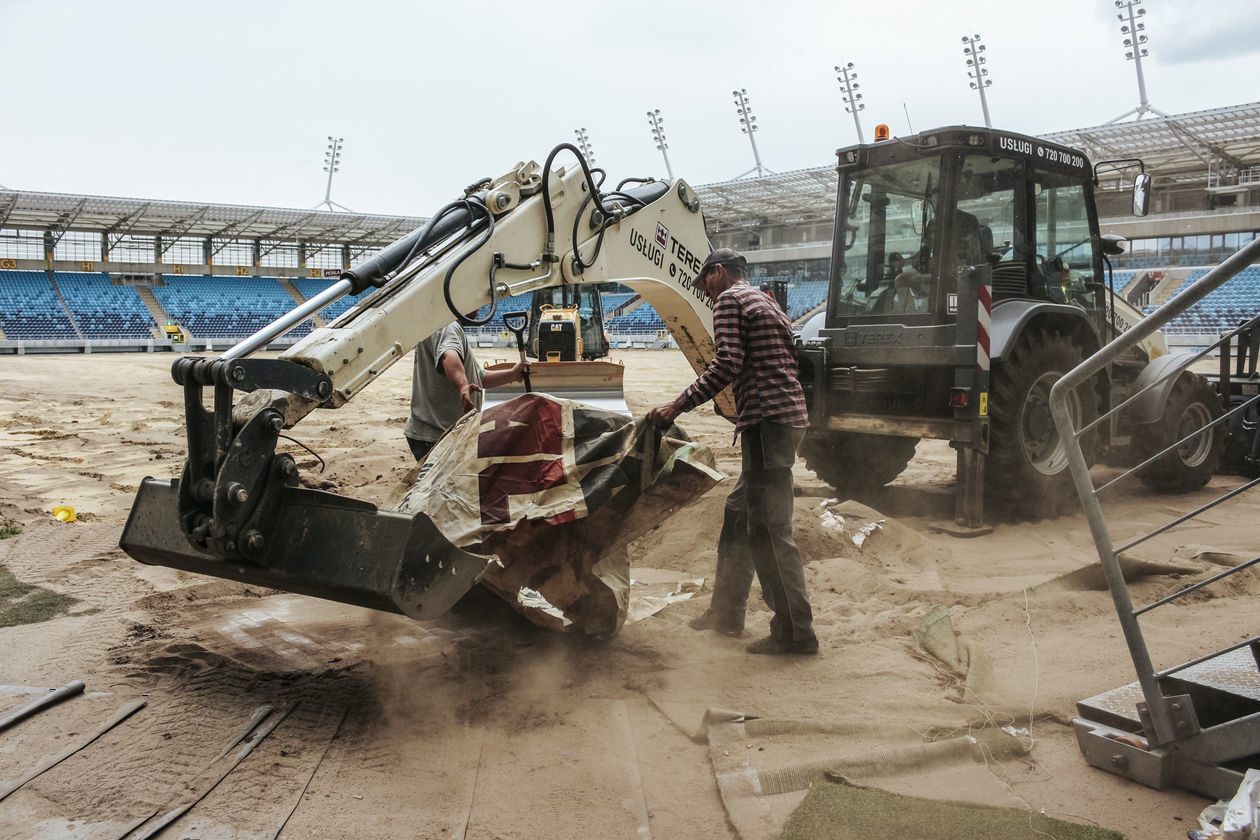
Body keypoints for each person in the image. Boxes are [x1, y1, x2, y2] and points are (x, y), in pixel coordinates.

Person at [646, 248, 818, 656]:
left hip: (765, 425)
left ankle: (796, 633)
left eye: (705, 282)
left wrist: (678, 405)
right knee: (738, 514)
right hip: (787, 422)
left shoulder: (729, 299)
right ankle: (726, 614)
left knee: (769, 530)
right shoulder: (767, 302)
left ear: (718, 272)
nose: (705, 293)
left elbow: (727, 363)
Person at [404, 322, 526, 461]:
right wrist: (463, 387)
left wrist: (512, 374)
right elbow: (449, 356)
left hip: (440, 433)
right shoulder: (447, 326)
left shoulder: (445, 326)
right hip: (438, 436)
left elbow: (480, 379)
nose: (478, 306)